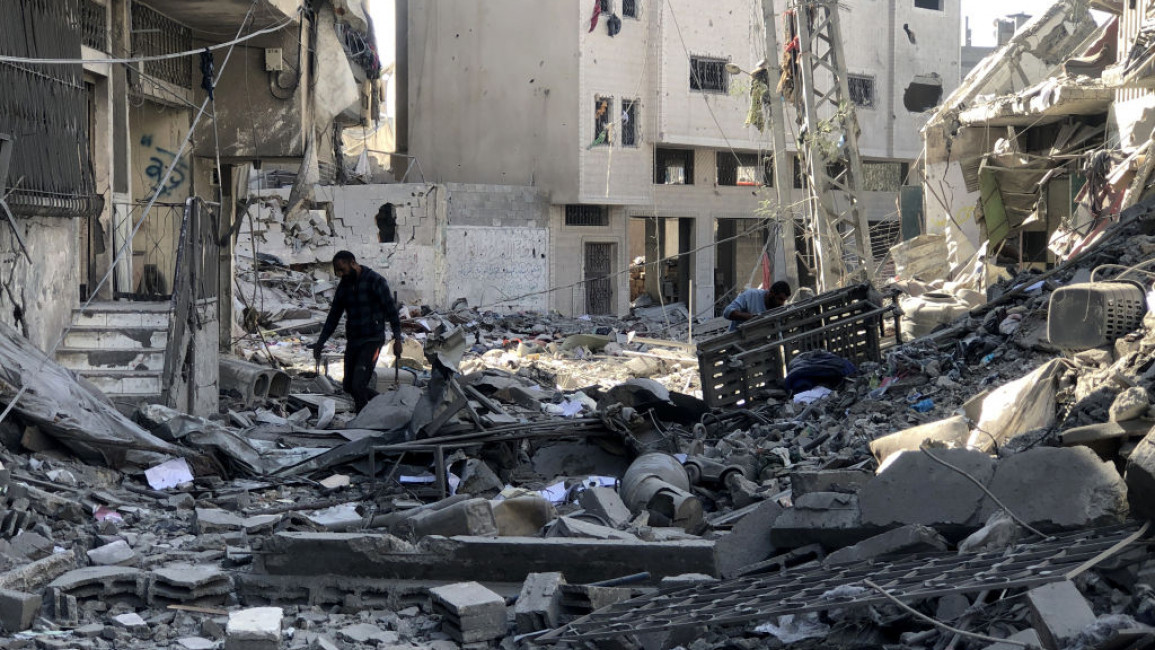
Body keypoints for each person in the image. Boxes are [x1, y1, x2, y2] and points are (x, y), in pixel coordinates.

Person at [312, 251, 403, 412]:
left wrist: (398, 339)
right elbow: (333, 316)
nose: (341, 274)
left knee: (358, 384)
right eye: (337, 271)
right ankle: (387, 404)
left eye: (342, 269)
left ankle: (363, 419)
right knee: (348, 385)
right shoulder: (344, 287)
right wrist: (320, 342)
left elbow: (391, 311)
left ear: (353, 263)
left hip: (372, 340)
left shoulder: (375, 281)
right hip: (354, 340)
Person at [722, 280, 791, 331]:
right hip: (738, 342)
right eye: (779, 299)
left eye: (784, 300)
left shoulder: (779, 308)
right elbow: (727, 312)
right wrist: (752, 318)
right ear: (771, 293)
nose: (781, 303)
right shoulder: (751, 295)